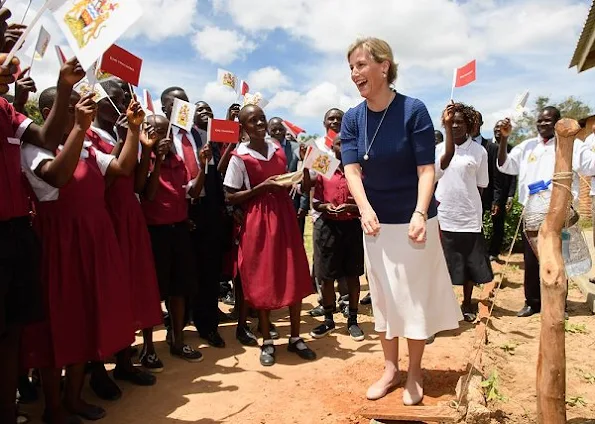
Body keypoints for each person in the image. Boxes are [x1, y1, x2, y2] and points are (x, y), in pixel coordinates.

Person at [341, 37, 461, 405]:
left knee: (413, 301)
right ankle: (390, 369)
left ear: (384, 66)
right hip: (375, 225)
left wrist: (420, 212)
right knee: (384, 299)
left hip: (415, 222)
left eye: (361, 65)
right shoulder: (352, 117)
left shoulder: (414, 110)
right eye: (351, 68)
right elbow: (351, 169)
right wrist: (364, 209)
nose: (355, 74)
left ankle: (414, 373)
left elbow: (427, 168)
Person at [20, 88, 143, 423]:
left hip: (94, 240)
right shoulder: (33, 148)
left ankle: (73, 398)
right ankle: (53, 406)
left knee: (87, 317)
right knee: (59, 323)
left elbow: (121, 167)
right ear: (49, 111)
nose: (83, 111)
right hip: (60, 246)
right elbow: (58, 177)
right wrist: (78, 127)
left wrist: (132, 130)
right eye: (74, 107)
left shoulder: (87, 146)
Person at [0, 10, 86, 419]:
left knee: (12, 333)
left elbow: (49, 137)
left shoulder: (7, 111)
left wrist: (64, 87)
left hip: (15, 235)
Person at [223, 104, 316, 367]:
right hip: (258, 219)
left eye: (261, 118)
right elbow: (230, 196)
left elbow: (300, 184)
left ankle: (296, 337)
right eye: (252, 120)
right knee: (263, 276)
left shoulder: (277, 147)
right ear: (243, 127)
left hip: (284, 214)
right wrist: (261, 187)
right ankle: (267, 341)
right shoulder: (239, 157)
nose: (259, 123)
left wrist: (306, 168)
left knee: (292, 272)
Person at [86, 81, 162, 388]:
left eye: (124, 101)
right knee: (104, 291)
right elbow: (100, 181)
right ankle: (97, 368)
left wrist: (145, 149)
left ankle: (124, 361)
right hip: (105, 218)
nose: (122, 108)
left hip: (129, 216)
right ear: (98, 102)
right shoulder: (88, 135)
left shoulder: (126, 133)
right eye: (116, 101)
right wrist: (124, 138)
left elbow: (138, 185)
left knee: (129, 288)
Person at [497, 107, 595, 317]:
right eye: (539, 121)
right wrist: (504, 140)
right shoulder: (526, 147)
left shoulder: (573, 145)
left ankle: (560, 304)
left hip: (561, 212)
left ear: (558, 123)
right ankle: (532, 303)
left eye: (548, 121)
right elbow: (505, 166)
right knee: (532, 260)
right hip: (532, 212)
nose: (542, 124)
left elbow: (591, 166)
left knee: (560, 258)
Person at [141, 114, 210, 361]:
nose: (163, 136)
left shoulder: (179, 161)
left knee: (179, 289)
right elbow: (148, 194)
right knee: (152, 292)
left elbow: (192, 191)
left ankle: (177, 340)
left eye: (165, 132)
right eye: (155, 131)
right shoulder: (143, 160)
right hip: (153, 233)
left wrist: (203, 166)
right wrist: (156, 159)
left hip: (178, 231)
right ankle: (148, 348)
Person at [162, 90, 227, 348]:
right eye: (176, 103)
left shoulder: (201, 137)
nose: (182, 107)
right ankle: (175, 327)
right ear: (165, 109)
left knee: (208, 271)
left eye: (185, 102)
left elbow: (213, 176)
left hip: (205, 212)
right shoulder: (162, 139)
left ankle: (207, 324)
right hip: (175, 214)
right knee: (177, 274)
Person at [435, 103, 493, 322]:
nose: (457, 125)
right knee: (443, 263)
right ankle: (443, 306)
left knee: (469, 263)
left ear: (470, 125)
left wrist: (467, 204)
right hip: (444, 215)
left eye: (461, 122)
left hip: (469, 216)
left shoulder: (479, 152)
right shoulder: (439, 150)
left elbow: (481, 185)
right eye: (453, 122)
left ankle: (467, 303)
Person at [309, 132, 365, 342]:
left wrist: (351, 206)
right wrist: (327, 206)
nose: (343, 147)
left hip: (351, 226)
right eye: (339, 143)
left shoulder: (360, 169)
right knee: (327, 277)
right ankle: (328, 319)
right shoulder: (325, 164)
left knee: (352, 275)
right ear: (332, 147)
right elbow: (315, 203)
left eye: (348, 143)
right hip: (328, 227)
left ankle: (352, 320)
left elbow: (368, 201)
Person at [267, 116, 310, 235]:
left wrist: (303, 204)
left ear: (285, 130)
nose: (277, 132)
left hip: (293, 202)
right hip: (270, 203)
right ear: (267, 131)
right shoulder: (263, 148)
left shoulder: (297, 148)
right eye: (273, 130)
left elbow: (304, 176)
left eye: (280, 129)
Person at [482, 119, 516, 261]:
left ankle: (494, 252)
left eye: (500, 129)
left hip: (502, 192)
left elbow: (514, 175)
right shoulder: (486, 146)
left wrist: (510, 195)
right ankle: (480, 251)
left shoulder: (511, 149)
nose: (498, 131)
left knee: (498, 224)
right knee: (478, 222)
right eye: (496, 129)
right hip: (486, 190)